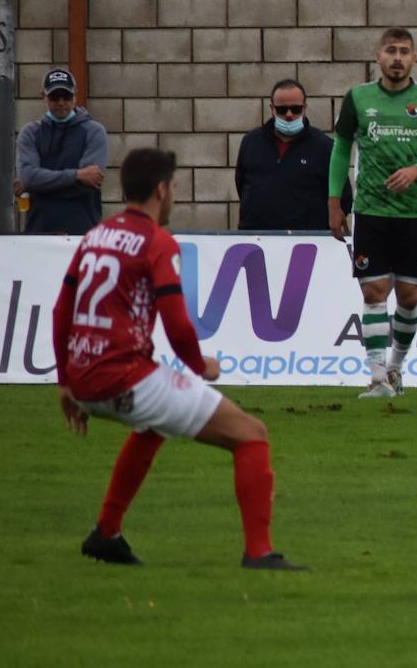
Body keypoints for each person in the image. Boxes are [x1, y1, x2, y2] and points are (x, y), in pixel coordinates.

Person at [52, 148, 303, 569]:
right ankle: (259, 553)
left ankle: (106, 533)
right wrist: (198, 365)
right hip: (125, 377)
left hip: (84, 378)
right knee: (251, 434)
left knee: (152, 429)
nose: (174, 196)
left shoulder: (96, 235)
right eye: (173, 188)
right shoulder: (157, 242)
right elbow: (176, 320)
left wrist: (65, 381)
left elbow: (63, 310)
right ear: (161, 189)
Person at [327, 28, 417, 399]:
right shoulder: (357, 98)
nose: (397, 58)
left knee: (410, 296)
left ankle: (396, 367)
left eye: (404, 52)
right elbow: (341, 151)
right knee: (374, 291)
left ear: (414, 59)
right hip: (370, 210)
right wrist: (335, 203)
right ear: (378, 56)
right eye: (391, 51)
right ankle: (377, 376)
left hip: (412, 212)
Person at [235, 79, 352, 231]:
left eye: (295, 109)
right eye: (282, 110)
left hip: (307, 244)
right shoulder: (251, 142)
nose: (289, 115)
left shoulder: (325, 146)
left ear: (304, 109)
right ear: (272, 109)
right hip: (257, 238)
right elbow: (241, 185)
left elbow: (344, 197)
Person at [14, 68, 108, 234]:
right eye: (54, 96)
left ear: (75, 96)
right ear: (43, 96)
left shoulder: (94, 131)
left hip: (83, 234)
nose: (61, 102)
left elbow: (88, 185)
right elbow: (29, 177)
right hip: (39, 233)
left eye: (66, 96)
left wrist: (38, 183)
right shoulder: (30, 133)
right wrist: (77, 175)